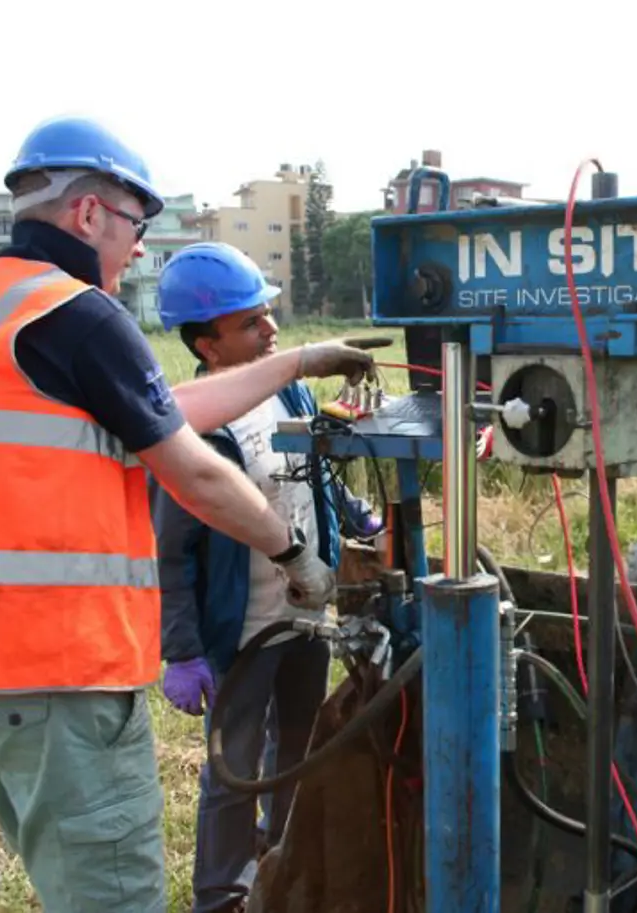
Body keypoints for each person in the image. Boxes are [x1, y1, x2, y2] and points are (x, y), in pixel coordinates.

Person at [0, 115, 381, 913]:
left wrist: (295, 362)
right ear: (89, 214)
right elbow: (192, 468)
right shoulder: (78, 315)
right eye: (136, 225)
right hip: (63, 674)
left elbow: (163, 409)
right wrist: (295, 555)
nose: (136, 248)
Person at [149, 242, 384, 913]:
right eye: (252, 323)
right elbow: (171, 550)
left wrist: (364, 523)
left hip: (306, 611)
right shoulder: (192, 427)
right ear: (208, 343)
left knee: (300, 748)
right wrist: (184, 649)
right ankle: (221, 894)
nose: (271, 331)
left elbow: (320, 479)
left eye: (267, 316)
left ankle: (282, 866)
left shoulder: (291, 388)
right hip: (240, 628)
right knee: (235, 767)